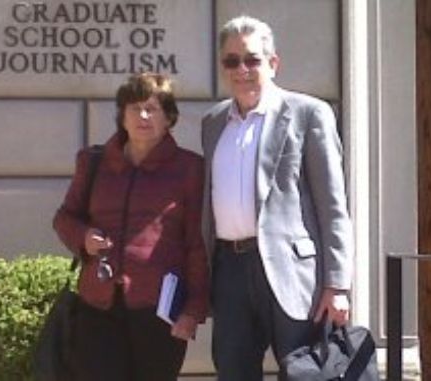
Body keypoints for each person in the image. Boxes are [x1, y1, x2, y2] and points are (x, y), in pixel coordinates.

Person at [201, 15, 354, 380]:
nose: (242, 70)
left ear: (273, 63)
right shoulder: (212, 122)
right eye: (232, 61)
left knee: (302, 372)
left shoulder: (307, 113)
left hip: (293, 274)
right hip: (230, 270)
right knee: (233, 370)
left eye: (252, 59)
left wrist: (337, 285)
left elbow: (333, 206)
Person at [53, 72, 209, 381]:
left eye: (153, 108)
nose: (144, 116)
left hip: (158, 308)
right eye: (135, 108)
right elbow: (64, 218)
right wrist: (84, 236)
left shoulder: (189, 168)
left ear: (169, 118)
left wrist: (193, 310)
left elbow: (196, 243)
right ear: (122, 117)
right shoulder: (93, 162)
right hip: (97, 302)